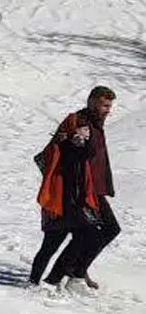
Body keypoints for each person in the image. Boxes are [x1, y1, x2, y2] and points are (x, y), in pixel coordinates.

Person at [33, 86, 119, 289]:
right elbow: (72, 154)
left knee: (107, 230)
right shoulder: (80, 123)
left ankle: (75, 271)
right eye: (104, 105)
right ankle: (65, 275)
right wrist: (76, 139)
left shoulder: (96, 123)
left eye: (110, 106)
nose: (108, 110)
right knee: (87, 235)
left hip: (94, 188)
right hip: (80, 190)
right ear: (92, 102)